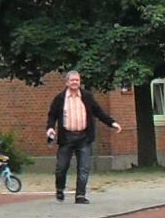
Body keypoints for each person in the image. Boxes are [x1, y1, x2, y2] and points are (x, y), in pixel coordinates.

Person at [46, 70, 122, 204]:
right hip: (66, 138)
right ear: (67, 82)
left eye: (77, 80)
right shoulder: (60, 98)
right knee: (61, 167)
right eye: (72, 80)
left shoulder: (87, 97)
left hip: (84, 137)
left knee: (84, 168)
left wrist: (112, 123)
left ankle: (80, 195)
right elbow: (52, 115)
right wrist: (50, 128)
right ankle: (60, 189)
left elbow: (98, 112)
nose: (75, 82)